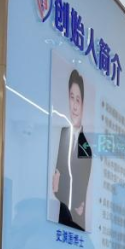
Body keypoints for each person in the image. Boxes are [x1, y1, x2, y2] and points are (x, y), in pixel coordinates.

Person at [51, 69, 92, 231]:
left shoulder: (86, 147)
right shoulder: (61, 135)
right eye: (71, 97)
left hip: (76, 223)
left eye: (78, 100)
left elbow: (79, 198)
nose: (74, 106)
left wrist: (60, 187)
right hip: (58, 218)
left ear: (83, 104)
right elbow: (54, 185)